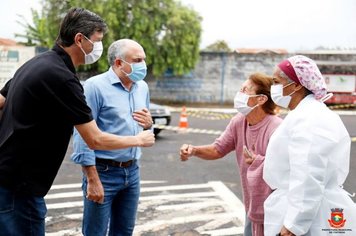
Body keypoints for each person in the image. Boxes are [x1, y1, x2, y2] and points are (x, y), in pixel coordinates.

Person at [0, 8, 154, 236]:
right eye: (97, 40)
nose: (99, 48)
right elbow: (94, 138)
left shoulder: (38, 63)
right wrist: (138, 140)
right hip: (20, 186)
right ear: (79, 39)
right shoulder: (62, 77)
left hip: (9, 178)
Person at [263, 55, 356, 236]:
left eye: (276, 81)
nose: (273, 87)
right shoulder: (304, 113)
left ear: (297, 84)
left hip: (308, 218)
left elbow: (308, 173)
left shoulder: (309, 118)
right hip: (306, 209)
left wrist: (293, 224)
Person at [180, 73, 283, 236]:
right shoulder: (239, 121)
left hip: (276, 209)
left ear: (261, 99)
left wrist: (257, 161)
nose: (239, 94)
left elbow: (284, 169)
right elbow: (218, 149)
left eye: (245, 90)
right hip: (252, 206)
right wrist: (194, 150)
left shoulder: (277, 128)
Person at [71, 39, 152, 236]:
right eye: (137, 60)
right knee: (95, 232)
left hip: (132, 171)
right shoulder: (94, 86)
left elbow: (144, 126)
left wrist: (149, 124)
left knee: (124, 231)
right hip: (103, 171)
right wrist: (92, 178)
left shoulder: (142, 87)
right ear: (118, 63)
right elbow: (83, 135)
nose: (143, 65)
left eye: (144, 60)